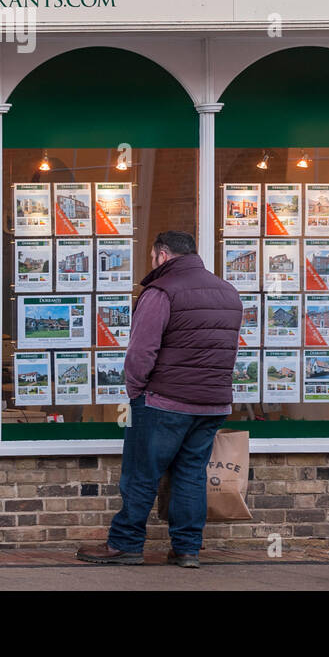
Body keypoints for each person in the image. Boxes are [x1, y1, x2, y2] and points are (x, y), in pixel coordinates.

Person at [77, 231, 242, 568]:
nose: (152, 262)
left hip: (164, 401)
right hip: (212, 404)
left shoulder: (161, 291)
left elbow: (141, 350)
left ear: (163, 255)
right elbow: (230, 350)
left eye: (153, 257)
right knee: (191, 475)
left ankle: (125, 544)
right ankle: (187, 549)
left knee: (141, 474)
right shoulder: (228, 292)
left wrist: (136, 392)